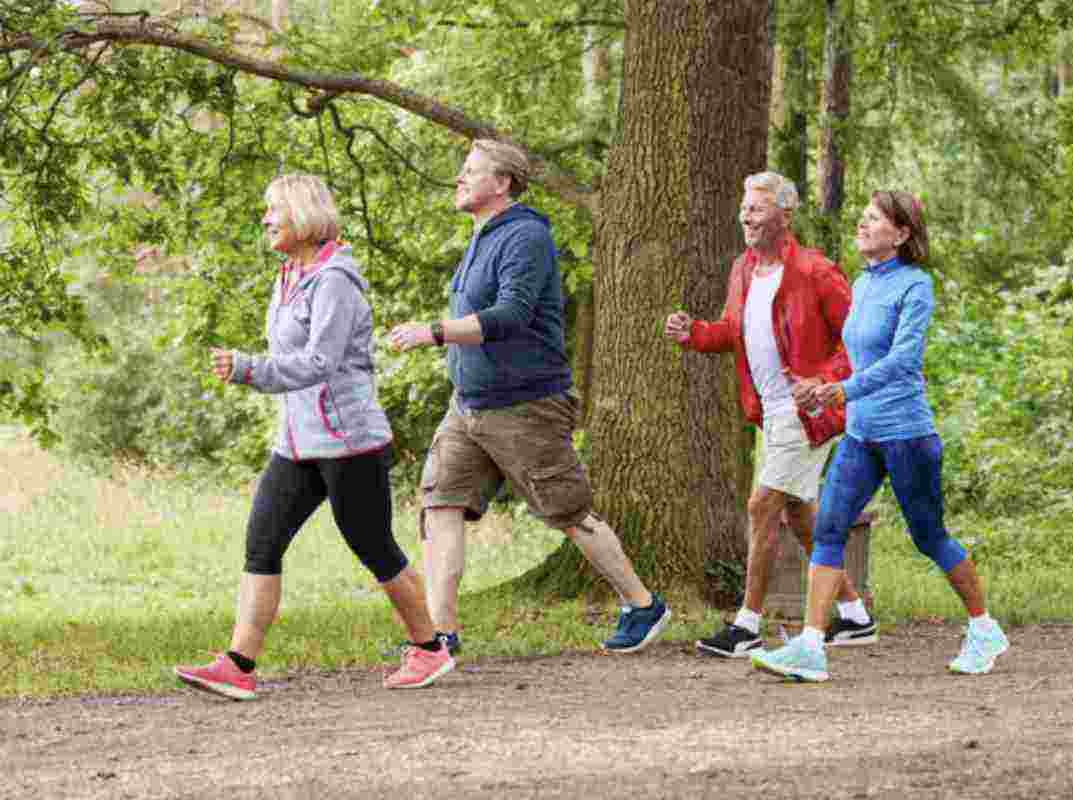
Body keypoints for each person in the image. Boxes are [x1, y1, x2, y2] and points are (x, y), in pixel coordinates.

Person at [174, 174, 453, 700]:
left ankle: (430, 649)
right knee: (262, 542)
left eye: (273, 209)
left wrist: (250, 369)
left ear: (302, 214)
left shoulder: (335, 282)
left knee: (374, 547)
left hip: (350, 443)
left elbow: (320, 361)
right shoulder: (289, 276)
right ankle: (238, 665)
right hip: (297, 443)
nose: (265, 219)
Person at [389, 139, 671, 654]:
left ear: (502, 183)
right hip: (468, 404)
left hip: (525, 406)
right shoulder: (481, 235)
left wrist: (434, 332)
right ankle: (439, 637)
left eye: (470, 171)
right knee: (440, 506)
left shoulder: (525, 236)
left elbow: (510, 315)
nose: (459, 177)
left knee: (568, 513)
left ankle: (642, 604)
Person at [751, 190, 1010, 682]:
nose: (863, 225)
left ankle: (983, 628)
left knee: (928, 535)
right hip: (861, 432)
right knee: (828, 528)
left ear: (903, 234)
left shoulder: (916, 286)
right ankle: (810, 646)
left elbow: (903, 361)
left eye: (874, 219)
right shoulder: (863, 284)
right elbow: (853, 354)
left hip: (907, 433)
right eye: (863, 217)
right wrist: (820, 385)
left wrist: (840, 390)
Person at [664, 171, 877, 658]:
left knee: (763, 505)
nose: (746, 216)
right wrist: (693, 333)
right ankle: (855, 615)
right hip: (770, 413)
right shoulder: (743, 268)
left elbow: (857, 341)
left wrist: (823, 384)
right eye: (744, 209)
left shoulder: (815, 272)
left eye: (756, 208)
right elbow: (731, 330)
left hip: (808, 414)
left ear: (784, 215)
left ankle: (747, 624)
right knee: (799, 514)